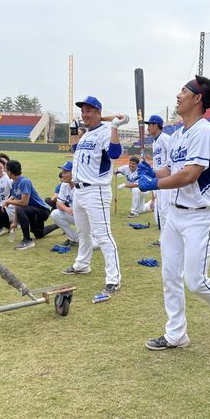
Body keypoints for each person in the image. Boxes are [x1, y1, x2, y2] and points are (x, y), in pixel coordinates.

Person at [137, 75, 210, 350]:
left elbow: (190, 174)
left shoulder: (203, 131)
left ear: (197, 98)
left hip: (199, 216)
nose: (179, 94)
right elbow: (172, 170)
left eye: (184, 90)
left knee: (195, 281)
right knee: (170, 276)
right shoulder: (179, 134)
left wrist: (156, 184)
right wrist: (152, 172)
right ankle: (176, 334)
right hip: (175, 214)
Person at [61, 96, 126, 296]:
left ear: (98, 113)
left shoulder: (105, 132)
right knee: (83, 233)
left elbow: (115, 154)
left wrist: (114, 127)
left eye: (89, 110)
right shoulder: (87, 134)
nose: (84, 114)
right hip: (79, 190)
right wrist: (74, 131)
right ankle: (82, 264)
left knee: (103, 236)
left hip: (96, 190)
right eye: (83, 111)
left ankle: (114, 279)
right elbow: (76, 150)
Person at [1, 160, 51, 250]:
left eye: (5, 169)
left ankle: (27, 240)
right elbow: (18, 202)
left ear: (9, 172)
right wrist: (15, 222)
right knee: (39, 234)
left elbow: (24, 203)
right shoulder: (14, 183)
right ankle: (58, 225)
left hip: (42, 211)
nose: (5, 172)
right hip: (32, 210)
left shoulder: (25, 181)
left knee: (21, 208)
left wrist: (8, 201)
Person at [144, 114, 171, 246]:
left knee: (166, 210)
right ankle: (163, 239)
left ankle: (167, 240)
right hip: (158, 179)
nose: (148, 128)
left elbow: (172, 160)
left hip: (168, 179)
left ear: (155, 125)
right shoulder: (155, 142)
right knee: (160, 210)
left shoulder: (166, 139)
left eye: (149, 125)